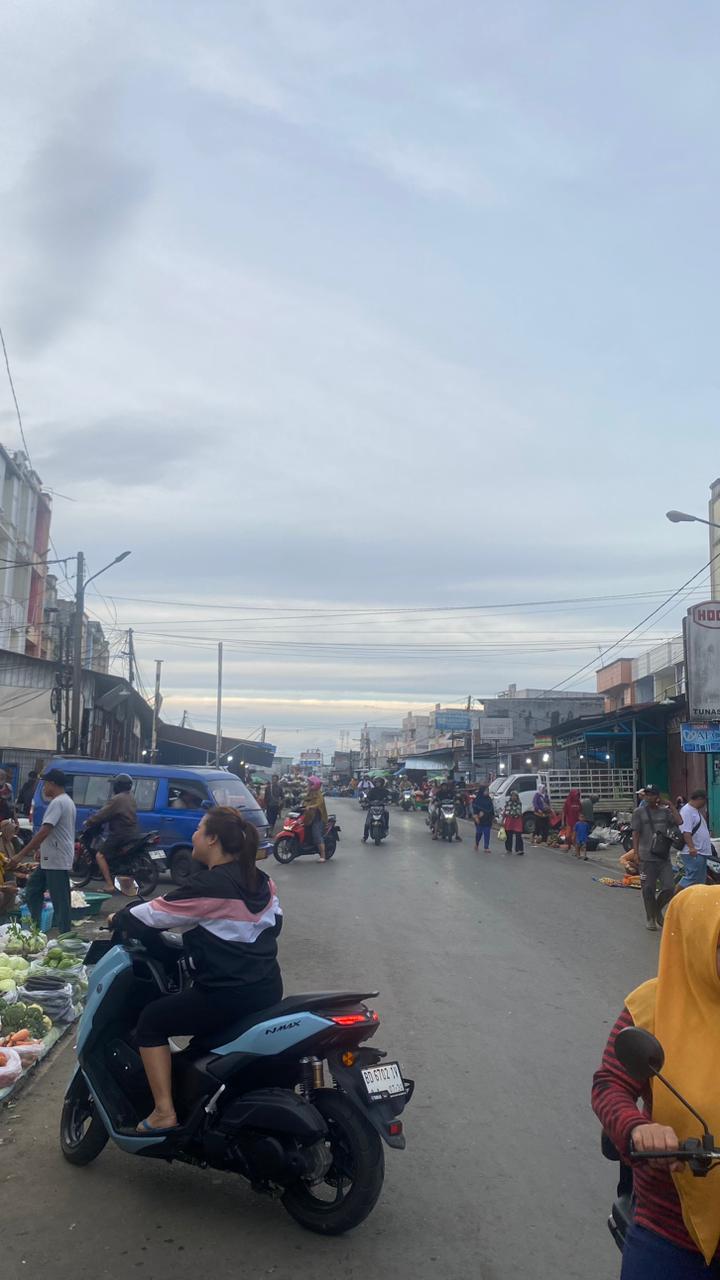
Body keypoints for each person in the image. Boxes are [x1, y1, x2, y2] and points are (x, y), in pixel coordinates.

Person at [113, 807, 283, 1133]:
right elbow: (274, 924)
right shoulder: (263, 882)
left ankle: (164, 1112)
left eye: (198, 829)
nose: (194, 836)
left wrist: (118, 918)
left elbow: (153, 914)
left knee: (151, 1021)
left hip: (225, 993)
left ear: (212, 839)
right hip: (267, 989)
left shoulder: (208, 885)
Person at [592, 885, 720, 1275]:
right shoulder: (651, 1005)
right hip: (668, 1230)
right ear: (697, 942)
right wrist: (638, 1129)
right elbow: (610, 1085)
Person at [13, 768, 75, 934]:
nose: (44, 788)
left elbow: (45, 831)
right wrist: (41, 849)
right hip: (51, 857)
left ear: (52, 784)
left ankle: (66, 935)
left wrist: (20, 854)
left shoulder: (58, 802)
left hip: (57, 857)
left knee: (60, 899)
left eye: (45, 784)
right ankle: (35, 928)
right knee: (33, 890)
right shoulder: (65, 801)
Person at [631, 784, 681, 931]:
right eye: (646, 794)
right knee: (648, 889)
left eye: (651, 794)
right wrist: (635, 853)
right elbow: (635, 833)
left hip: (663, 857)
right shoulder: (639, 812)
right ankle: (650, 917)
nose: (648, 797)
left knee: (669, 887)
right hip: (646, 858)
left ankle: (657, 910)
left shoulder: (665, 812)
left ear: (657, 796)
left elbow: (679, 822)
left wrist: (671, 805)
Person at [84, 773, 141, 893]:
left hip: (120, 833)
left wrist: (89, 822)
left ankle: (110, 885)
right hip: (132, 832)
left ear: (118, 786)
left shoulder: (117, 799)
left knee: (100, 855)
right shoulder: (131, 797)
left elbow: (103, 813)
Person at [677, 790, 712, 890]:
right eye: (705, 800)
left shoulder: (694, 811)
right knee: (692, 878)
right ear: (700, 799)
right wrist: (691, 847)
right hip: (693, 852)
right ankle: (674, 896)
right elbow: (686, 831)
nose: (705, 803)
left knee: (699, 880)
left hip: (700, 851)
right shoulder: (687, 811)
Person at [303, 776, 328, 861]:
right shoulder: (309, 793)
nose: (308, 785)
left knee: (316, 835)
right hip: (309, 816)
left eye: (309, 783)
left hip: (318, 818)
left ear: (314, 784)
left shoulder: (318, 794)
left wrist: (310, 807)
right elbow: (305, 801)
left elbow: (318, 804)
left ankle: (323, 856)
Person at [363, 777, 390, 842]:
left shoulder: (385, 791)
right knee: (367, 823)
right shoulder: (372, 790)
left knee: (386, 813)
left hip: (381, 808)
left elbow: (389, 796)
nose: (378, 784)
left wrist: (388, 800)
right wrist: (367, 801)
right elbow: (367, 797)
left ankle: (386, 828)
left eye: (379, 782)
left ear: (382, 783)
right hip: (372, 808)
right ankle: (365, 837)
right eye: (376, 782)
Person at [472, 785, 494, 851]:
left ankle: (486, 847)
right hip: (479, 819)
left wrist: (493, 817)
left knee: (487, 833)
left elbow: (491, 809)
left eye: (488, 791)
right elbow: (474, 809)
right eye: (486, 791)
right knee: (479, 833)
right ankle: (477, 843)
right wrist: (477, 816)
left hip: (488, 819)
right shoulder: (477, 799)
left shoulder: (489, 799)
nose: (487, 792)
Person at [502, 790, 524, 855]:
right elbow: (505, 812)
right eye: (512, 796)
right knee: (508, 835)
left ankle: (519, 849)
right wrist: (502, 820)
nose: (513, 797)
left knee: (518, 835)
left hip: (517, 821)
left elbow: (519, 812)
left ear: (517, 797)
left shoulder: (519, 803)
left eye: (515, 796)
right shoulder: (508, 803)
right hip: (509, 821)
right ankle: (508, 849)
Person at [562, 788, 582, 853]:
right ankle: (568, 847)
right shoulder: (567, 802)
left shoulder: (578, 802)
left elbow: (580, 812)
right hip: (569, 822)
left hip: (577, 823)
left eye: (578, 795)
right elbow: (564, 812)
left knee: (574, 837)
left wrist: (581, 821)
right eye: (576, 795)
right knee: (568, 836)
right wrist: (563, 821)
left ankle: (576, 849)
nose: (577, 796)